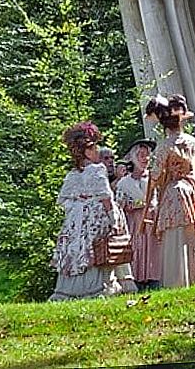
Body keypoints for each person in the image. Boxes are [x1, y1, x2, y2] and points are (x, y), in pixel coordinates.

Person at [142, 95, 195, 288]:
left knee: (179, 233)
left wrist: (149, 202)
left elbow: (154, 177)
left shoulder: (164, 147)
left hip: (177, 193)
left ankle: (181, 278)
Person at [50, 121, 130, 301]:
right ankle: (96, 287)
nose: (97, 151)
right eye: (93, 148)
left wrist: (78, 208)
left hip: (75, 221)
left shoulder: (73, 174)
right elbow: (106, 197)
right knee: (97, 247)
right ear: (85, 151)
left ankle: (71, 290)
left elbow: (65, 202)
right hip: (95, 217)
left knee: (77, 250)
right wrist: (114, 219)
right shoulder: (97, 170)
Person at [115, 139, 160, 290]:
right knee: (137, 249)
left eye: (147, 155)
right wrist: (130, 206)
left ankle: (155, 278)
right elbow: (119, 206)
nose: (145, 159)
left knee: (154, 250)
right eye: (141, 155)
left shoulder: (155, 179)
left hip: (152, 222)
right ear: (133, 158)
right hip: (134, 224)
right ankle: (137, 280)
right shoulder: (124, 183)